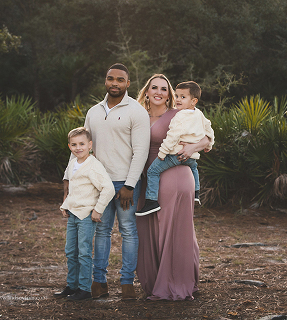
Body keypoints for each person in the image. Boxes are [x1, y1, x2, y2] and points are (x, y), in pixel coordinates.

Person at [63, 63, 150, 300]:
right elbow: (80, 148)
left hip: (125, 183)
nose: (115, 83)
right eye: (110, 78)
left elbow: (141, 152)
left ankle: (126, 284)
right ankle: (98, 283)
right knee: (101, 231)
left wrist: (130, 185)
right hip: (98, 183)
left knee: (128, 231)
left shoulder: (137, 111)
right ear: (105, 81)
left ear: (128, 83)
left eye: (120, 80)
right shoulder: (93, 111)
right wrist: (68, 178)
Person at [135, 74, 211, 300]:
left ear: (169, 94)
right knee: (147, 230)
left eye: (164, 89)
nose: (158, 92)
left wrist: (192, 148)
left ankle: (174, 283)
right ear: (146, 91)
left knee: (173, 230)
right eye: (153, 87)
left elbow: (207, 136)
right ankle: (156, 280)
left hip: (174, 175)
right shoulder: (138, 115)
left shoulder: (180, 113)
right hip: (147, 180)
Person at [136, 81, 214, 216]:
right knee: (194, 167)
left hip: (174, 155)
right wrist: (209, 145)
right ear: (147, 92)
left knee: (153, 171)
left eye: (183, 97)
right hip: (190, 160)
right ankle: (196, 192)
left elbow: (173, 136)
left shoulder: (178, 115)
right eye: (177, 96)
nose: (178, 99)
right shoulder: (198, 113)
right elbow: (209, 129)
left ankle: (151, 202)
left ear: (193, 101)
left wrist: (162, 153)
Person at [54, 127, 115, 301]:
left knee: (84, 252)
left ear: (90, 145)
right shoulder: (73, 163)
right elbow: (74, 189)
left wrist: (98, 209)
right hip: (73, 214)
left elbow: (108, 188)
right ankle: (72, 285)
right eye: (74, 144)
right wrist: (66, 205)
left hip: (86, 216)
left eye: (82, 144)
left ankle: (84, 289)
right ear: (69, 146)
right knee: (70, 251)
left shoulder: (93, 165)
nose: (78, 147)